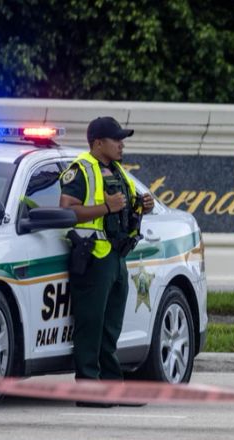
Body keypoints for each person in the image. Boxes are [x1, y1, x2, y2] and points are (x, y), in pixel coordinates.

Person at [60, 116, 155, 407]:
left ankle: (113, 388)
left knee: (111, 327)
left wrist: (144, 204)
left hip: (116, 256)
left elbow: (127, 206)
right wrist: (105, 207)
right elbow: (67, 210)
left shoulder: (116, 171)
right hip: (93, 258)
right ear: (98, 143)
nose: (121, 144)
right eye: (116, 139)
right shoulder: (80, 169)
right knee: (91, 325)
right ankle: (89, 390)